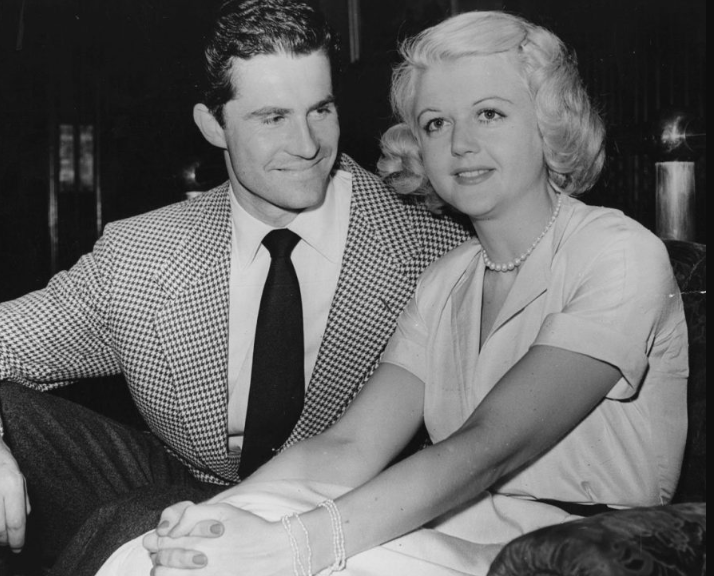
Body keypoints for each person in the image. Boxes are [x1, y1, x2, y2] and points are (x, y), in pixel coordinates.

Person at [98, 10, 689, 576]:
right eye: (436, 122)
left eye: (489, 113)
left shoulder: (617, 251)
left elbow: (491, 446)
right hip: (464, 527)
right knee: (160, 555)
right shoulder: (445, 279)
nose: (459, 144)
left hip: (585, 550)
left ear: (549, 119)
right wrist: (214, 520)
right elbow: (349, 446)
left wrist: (293, 548)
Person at [0, 1, 468, 575]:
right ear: (212, 125)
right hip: (184, 480)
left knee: (136, 520)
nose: (309, 144)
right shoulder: (143, 254)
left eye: (320, 109)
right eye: (272, 118)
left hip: (347, 507)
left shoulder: (429, 242)